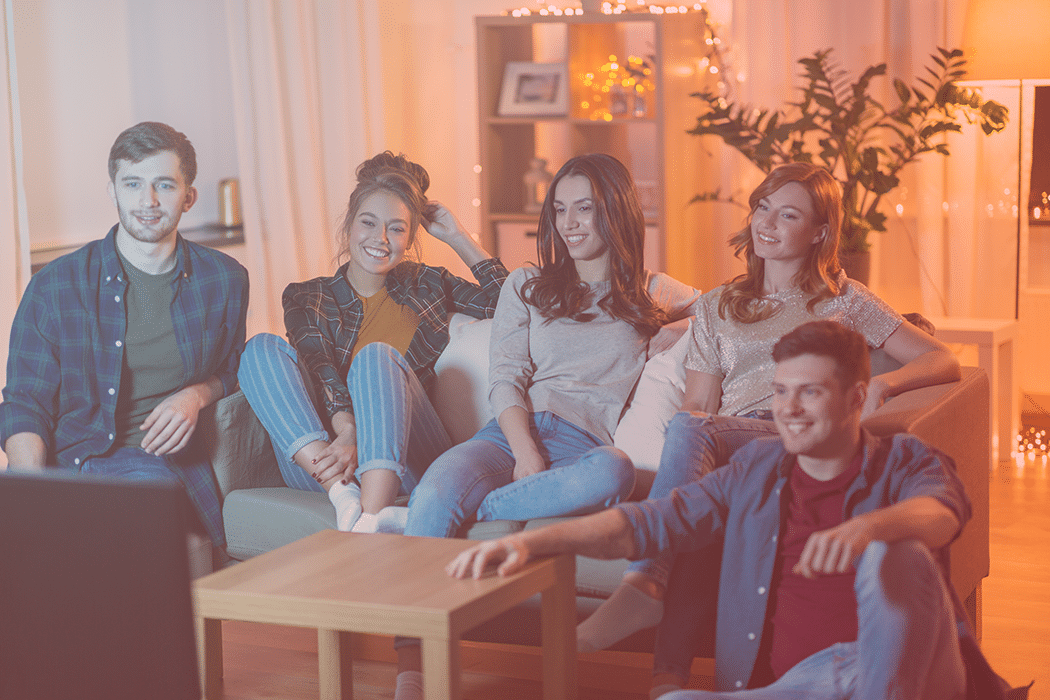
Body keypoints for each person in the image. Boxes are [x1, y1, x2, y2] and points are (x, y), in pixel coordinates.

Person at [449, 320, 979, 700]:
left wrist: (869, 527)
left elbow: (942, 514)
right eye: (780, 392)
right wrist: (528, 542)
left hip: (919, 679)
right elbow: (648, 523)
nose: (788, 410)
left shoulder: (904, 460)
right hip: (792, 689)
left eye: (810, 392)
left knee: (894, 554)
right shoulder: (756, 468)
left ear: (856, 398)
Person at [574, 161, 962, 669]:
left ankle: (645, 582)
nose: (767, 223)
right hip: (733, 446)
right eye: (762, 208)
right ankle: (665, 685)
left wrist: (884, 384)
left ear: (819, 231)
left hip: (797, 437)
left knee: (692, 432)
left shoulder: (844, 300)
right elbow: (698, 403)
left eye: (788, 215)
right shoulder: (717, 306)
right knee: (693, 465)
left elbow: (943, 359)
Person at [392, 153, 699, 699]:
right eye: (561, 209)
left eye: (586, 208)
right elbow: (505, 378)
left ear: (617, 212)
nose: (571, 223)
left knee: (616, 472)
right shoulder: (528, 285)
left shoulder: (653, 291)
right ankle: (411, 672)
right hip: (509, 435)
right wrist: (524, 449)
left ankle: (461, 508)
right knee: (440, 485)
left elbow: (733, 308)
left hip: (584, 451)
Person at [0, 122, 249, 553]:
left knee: (152, 528)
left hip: (163, 466)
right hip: (71, 459)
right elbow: (25, 403)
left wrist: (196, 395)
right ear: (113, 190)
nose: (147, 201)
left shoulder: (225, 280)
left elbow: (235, 368)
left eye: (164, 185)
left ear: (188, 197)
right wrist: (30, 494)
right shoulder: (56, 286)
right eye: (132, 184)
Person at [237, 152, 508, 535]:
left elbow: (513, 306)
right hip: (328, 463)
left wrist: (459, 237)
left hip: (408, 461)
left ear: (411, 237)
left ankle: (368, 521)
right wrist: (345, 434)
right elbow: (321, 368)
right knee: (259, 347)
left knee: (375, 357)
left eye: (397, 228)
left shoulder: (427, 285)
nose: (380, 239)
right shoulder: (307, 297)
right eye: (369, 222)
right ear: (349, 225)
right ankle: (346, 500)